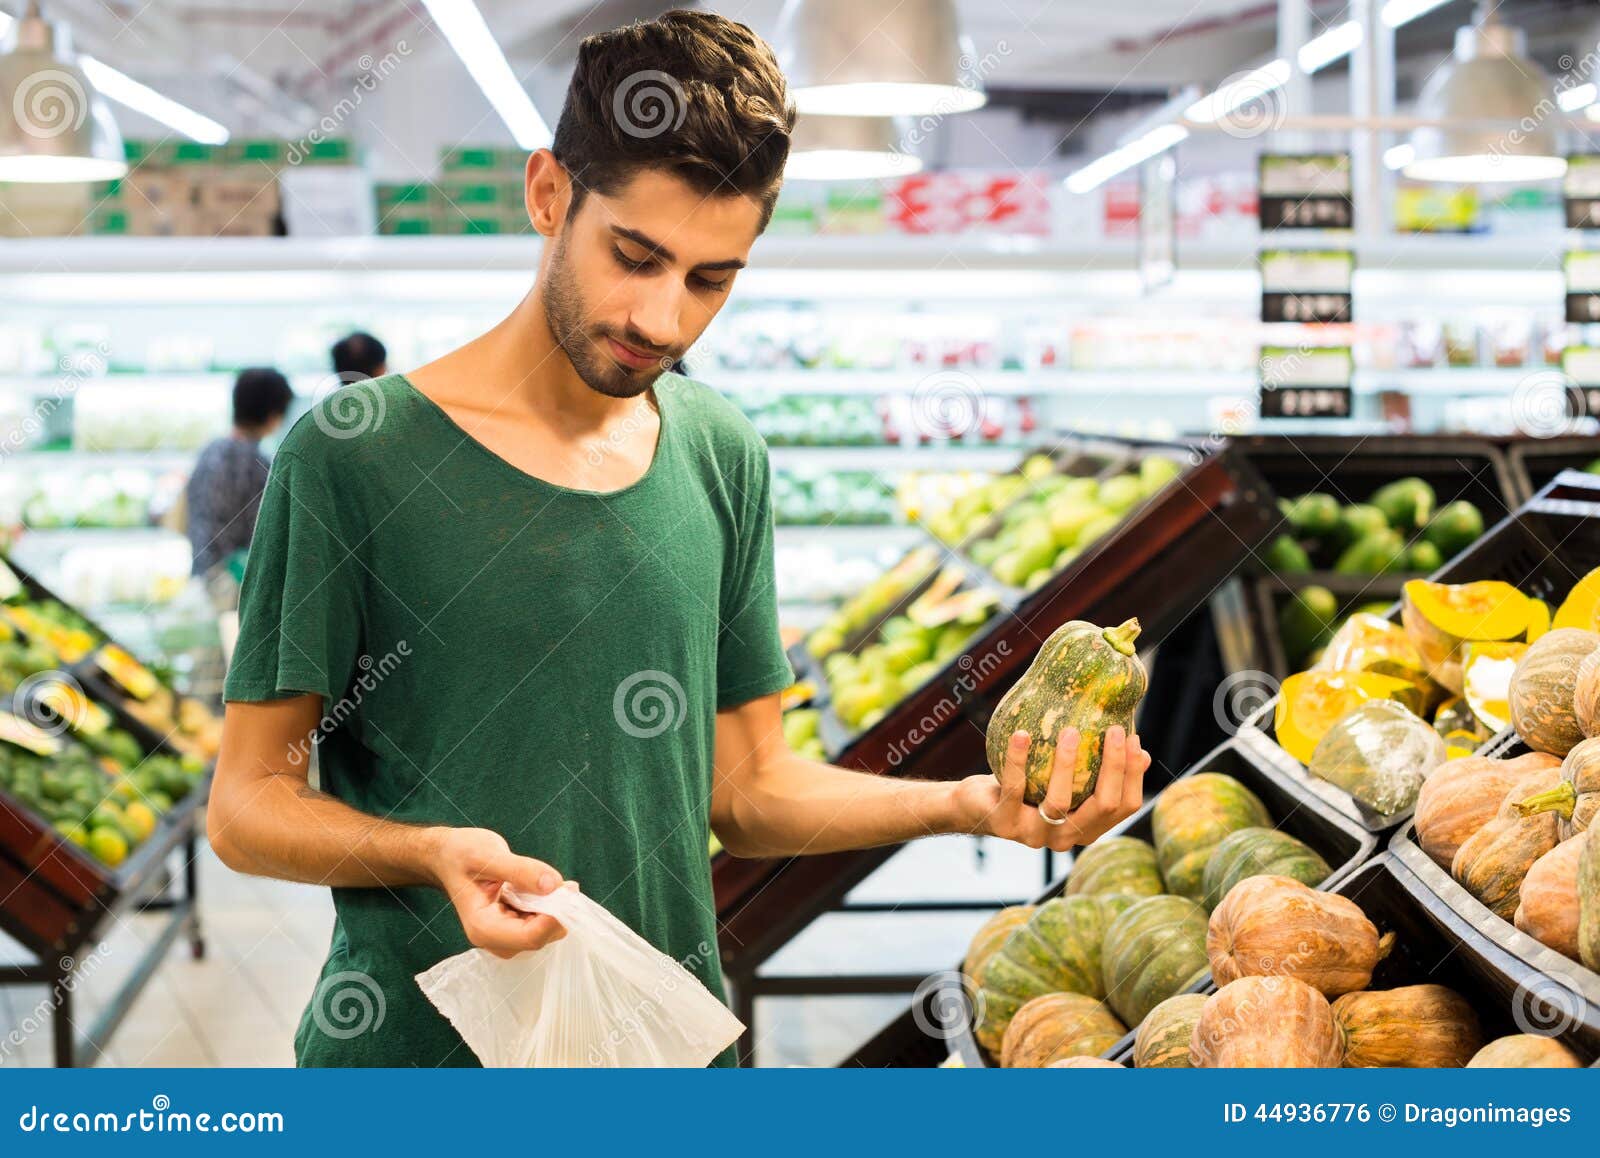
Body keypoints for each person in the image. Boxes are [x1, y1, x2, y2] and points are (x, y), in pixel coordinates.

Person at [209, 9, 1150, 1068]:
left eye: (711, 279)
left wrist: (969, 804)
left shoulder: (720, 451)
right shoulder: (355, 453)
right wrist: (428, 852)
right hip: (413, 1064)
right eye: (636, 256)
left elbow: (746, 791)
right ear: (547, 194)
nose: (662, 319)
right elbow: (247, 805)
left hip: (662, 1053)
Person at [183, 367, 294, 580]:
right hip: (237, 582)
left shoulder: (209, 450)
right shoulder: (258, 463)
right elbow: (264, 535)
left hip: (202, 573)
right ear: (274, 415)